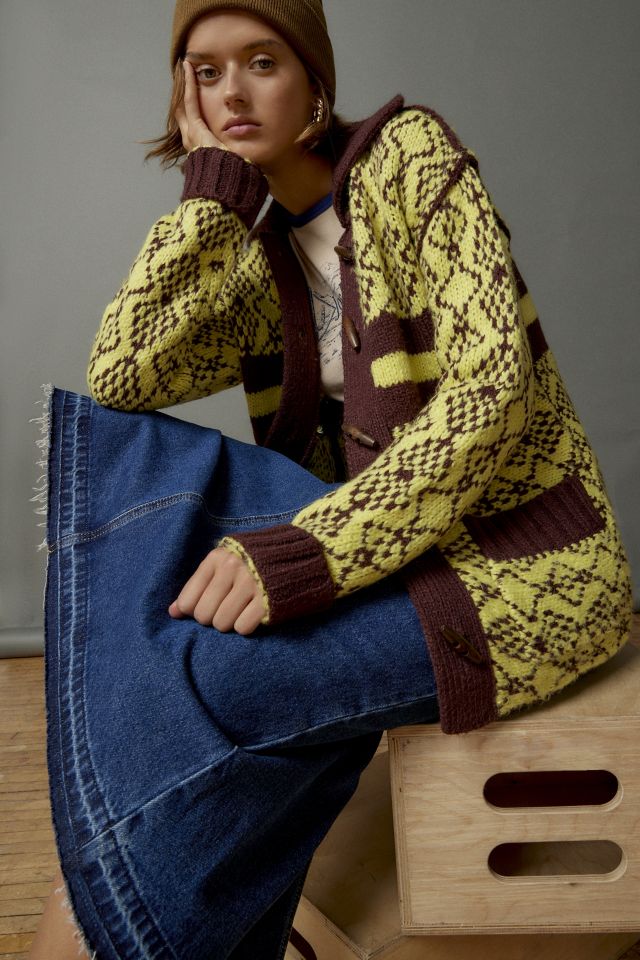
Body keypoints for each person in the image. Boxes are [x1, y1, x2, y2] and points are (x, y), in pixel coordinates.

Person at [30, 1, 633, 957]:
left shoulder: (411, 159)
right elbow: (122, 376)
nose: (231, 92)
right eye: (205, 71)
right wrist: (209, 200)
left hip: (520, 572)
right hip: (382, 564)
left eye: (262, 62)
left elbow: (491, 396)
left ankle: (127, 937)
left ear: (314, 80)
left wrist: (306, 551)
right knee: (169, 649)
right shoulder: (252, 250)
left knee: (214, 681)